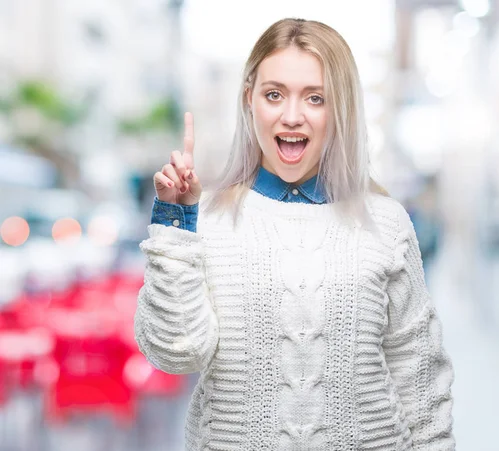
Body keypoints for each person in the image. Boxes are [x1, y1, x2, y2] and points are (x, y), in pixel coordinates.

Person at [135, 18, 455, 451]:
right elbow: (177, 354)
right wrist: (175, 221)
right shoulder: (203, 221)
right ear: (250, 100)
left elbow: (421, 383)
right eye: (274, 95)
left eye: (315, 98)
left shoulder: (387, 223)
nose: (291, 116)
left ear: (340, 107)